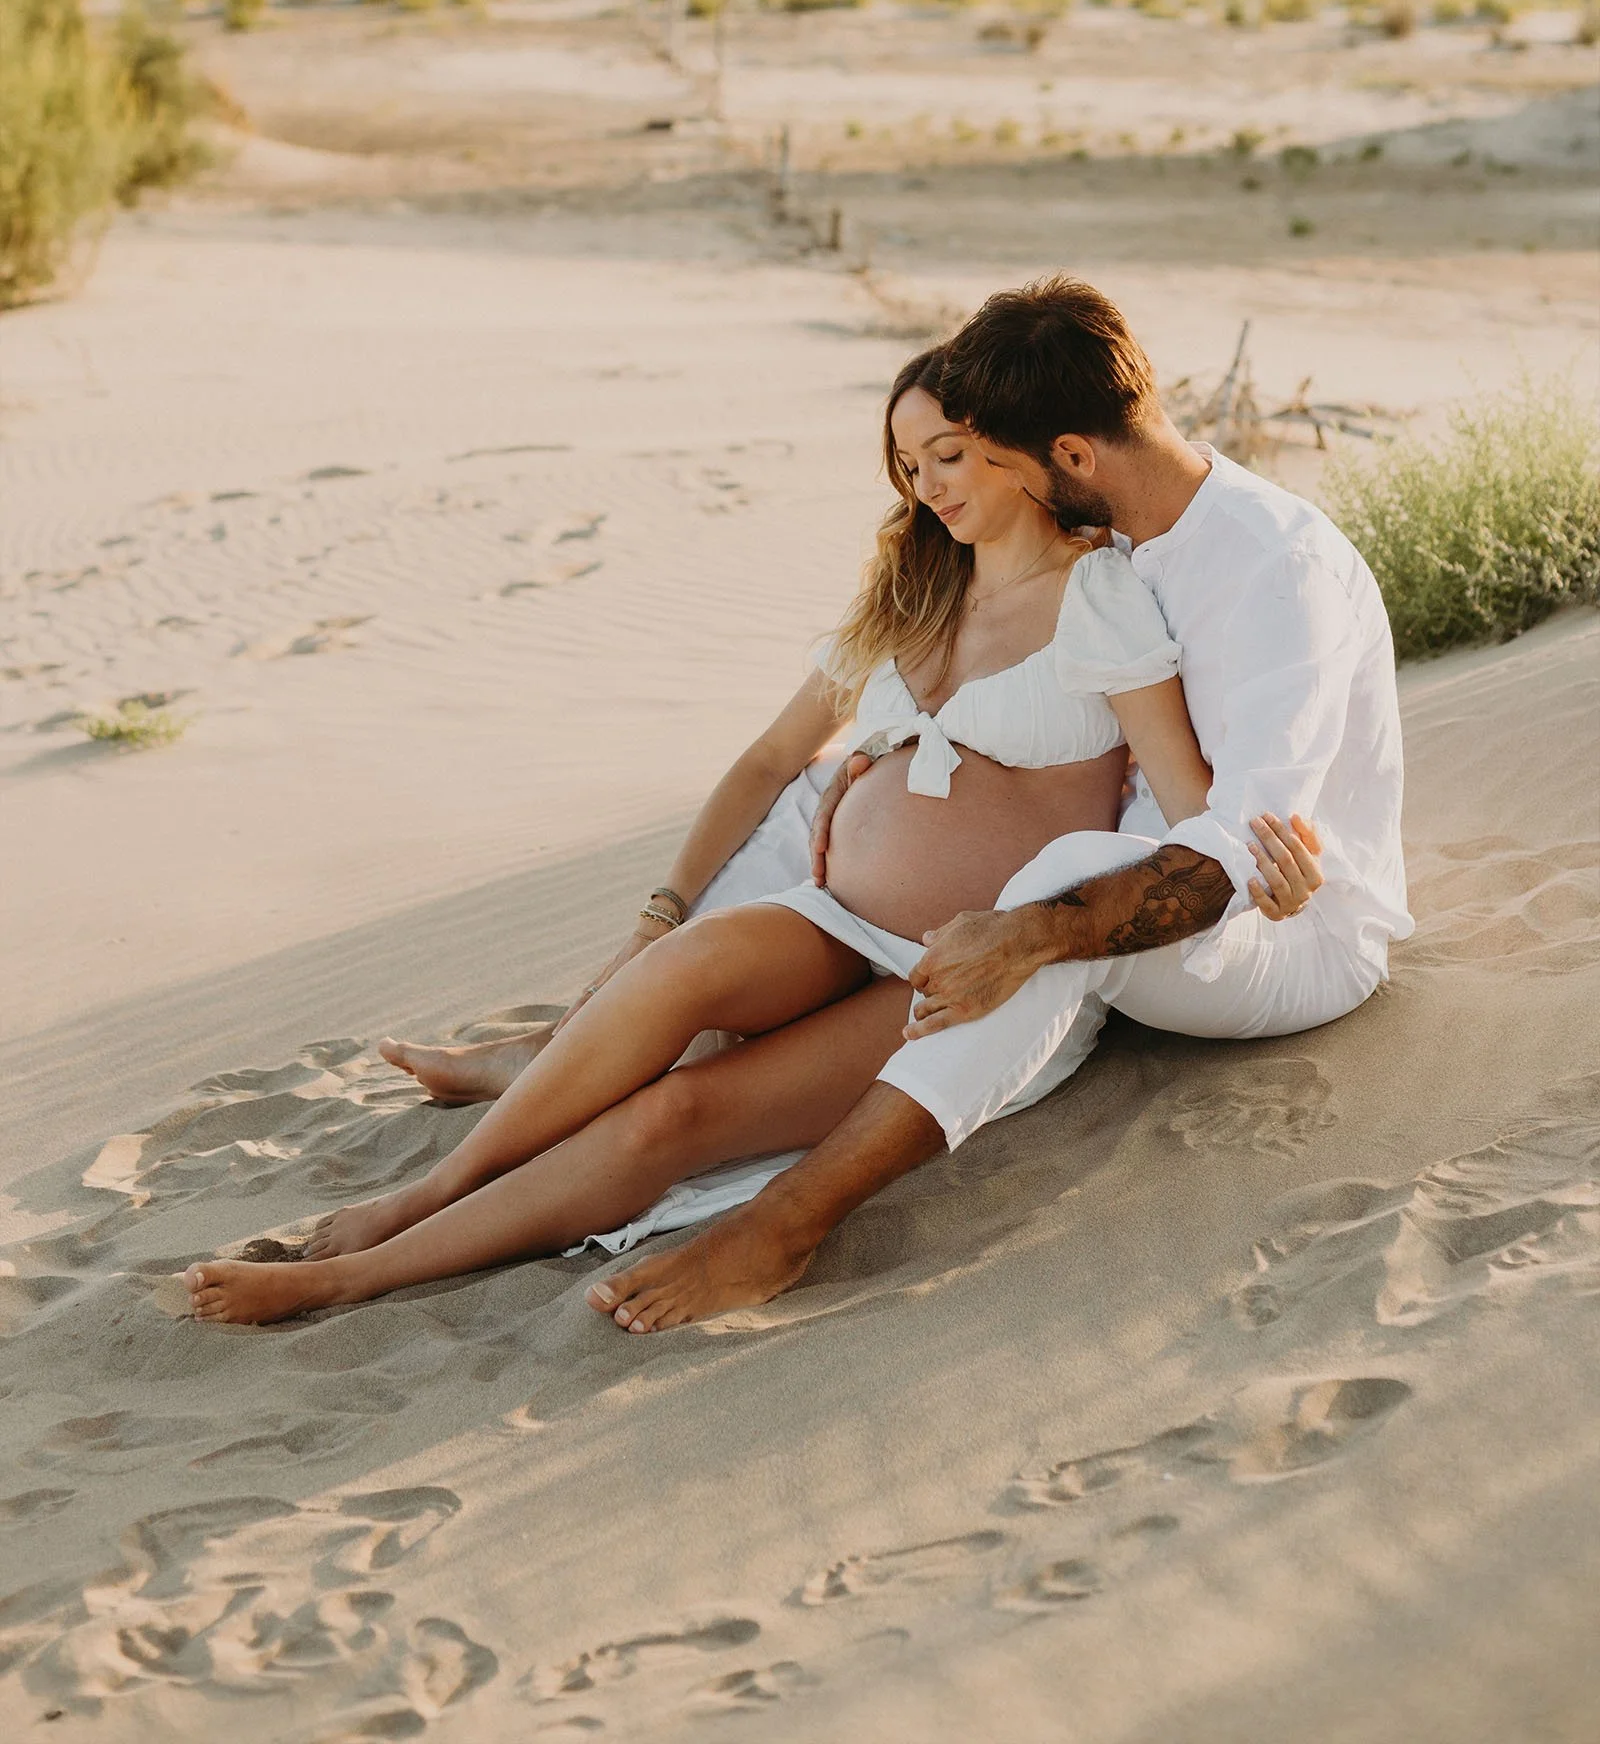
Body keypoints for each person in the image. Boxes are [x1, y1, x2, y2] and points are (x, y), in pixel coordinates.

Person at [182, 333, 1317, 1325]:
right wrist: (660, 909)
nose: (929, 487)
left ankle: (354, 1282)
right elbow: (772, 760)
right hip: (831, 917)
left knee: (674, 1113)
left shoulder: (1101, 594)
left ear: (1013, 452)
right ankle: (421, 1197)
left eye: (951, 455)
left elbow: (1182, 794)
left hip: (948, 968)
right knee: (688, 965)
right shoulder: (909, 593)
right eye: (908, 465)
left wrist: (1257, 871)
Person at [581, 275, 1411, 1336]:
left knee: (1052, 890)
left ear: (1070, 455)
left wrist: (1027, 932)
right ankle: (631, 1018)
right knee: (838, 784)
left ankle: (788, 1221)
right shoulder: (1115, 527)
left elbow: (1243, 859)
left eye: (1000, 460)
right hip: (1143, 885)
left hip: (1287, 936)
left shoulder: (1273, 571)